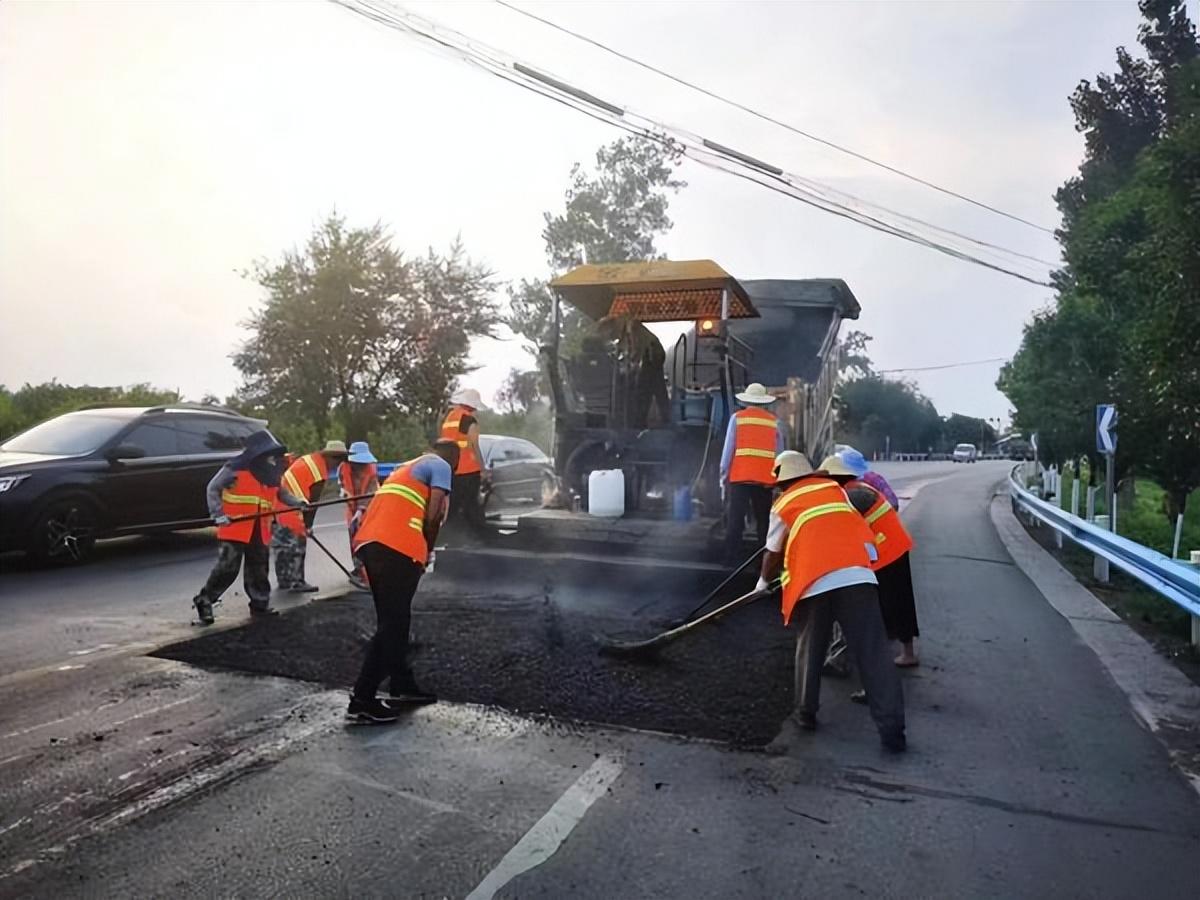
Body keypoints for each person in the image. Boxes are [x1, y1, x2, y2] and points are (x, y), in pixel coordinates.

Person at [756, 450, 906, 753]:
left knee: (810, 646)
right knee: (874, 653)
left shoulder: (784, 503)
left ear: (783, 482)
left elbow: (772, 554)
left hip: (817, 579)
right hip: (858, 575)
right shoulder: (835, 491)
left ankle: (806, 713)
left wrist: (761, 583)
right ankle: (892, 730)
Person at [347, 438, 459, 724]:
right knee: (393, 625)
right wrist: (428, 550)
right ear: (453, 460)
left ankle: (402, 684)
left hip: (371, 544)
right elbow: (433, 515)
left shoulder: (406, 467)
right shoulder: (442, 465)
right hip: (397, 547)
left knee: (395, 620)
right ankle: (362, 699)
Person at [192, 430, 305, 625]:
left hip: (260, 528)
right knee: (227, 568)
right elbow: (213, 488)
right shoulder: (235, 468)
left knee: (259, 569)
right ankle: (205, 600)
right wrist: (218, 514)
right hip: (235, 528)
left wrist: (298, 502)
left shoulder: (270, 474)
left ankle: (260, 606)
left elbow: (282, 493)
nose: (272, 458)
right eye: (269, 454)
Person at [834, 446, 919, 667]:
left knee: (878, 606)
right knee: (901, 602)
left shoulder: (851, 494)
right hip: (896, 544)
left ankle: (876, 664)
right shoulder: (865, 484)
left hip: (884, 551)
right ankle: (907, 652)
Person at [719, 382, 787, 564]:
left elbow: (728, 451)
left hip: (739, 479)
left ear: (746, 401)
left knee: (735, 521)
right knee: (764, 523)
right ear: (764, 402)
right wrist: (778, 482)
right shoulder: (775, 423)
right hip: (765, 481)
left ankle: (730, 560)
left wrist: (723, 477)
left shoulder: (737, 419)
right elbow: (780, 456)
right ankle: (761, 563)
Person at [272, 440, 350, 593]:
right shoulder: (319, 473)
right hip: (292, 506)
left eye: (341, 460)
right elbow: (312, 504)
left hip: (278, 503)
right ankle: (297, 581)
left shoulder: (310, 459)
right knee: (297, 546)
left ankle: (284, 580)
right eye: (337, 459)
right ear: (330, 457)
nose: (338, 464)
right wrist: (308, 526)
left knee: (282, 544)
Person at [440, 388, 488, 530]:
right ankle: (481, 536)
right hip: (468, 470)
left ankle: (449, 535)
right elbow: (474, 446)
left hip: (451, 469)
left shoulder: (448, 418)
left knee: (453, 505)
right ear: (472, 405)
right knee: (471, 504)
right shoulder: (469, 420)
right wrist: (483, 470)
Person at [339, 440, 380, 591]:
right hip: (351, 507)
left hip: (370, 508)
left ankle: (369, 574)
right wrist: (343, 492)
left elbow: (370, 495)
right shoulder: (344, 468)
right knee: (353, 537)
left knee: (365, 539)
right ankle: (358, 569)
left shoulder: (371, 473)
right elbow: (343, 484)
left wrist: (360, 510)